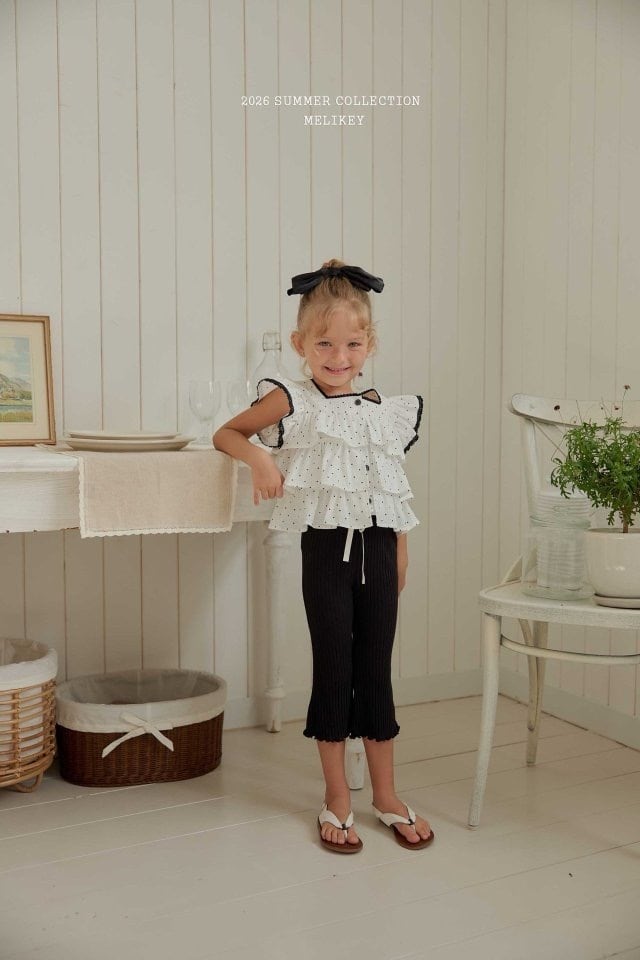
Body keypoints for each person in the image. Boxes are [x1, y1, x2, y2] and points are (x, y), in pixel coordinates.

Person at [213, 259, 434, 854]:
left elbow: (391, 486)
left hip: (380, 546)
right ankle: (337, 798)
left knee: (376, 669)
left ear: (370, 344)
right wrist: (261, 459)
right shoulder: (293, 401)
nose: (339, 356)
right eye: (325, 344)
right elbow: (227, 434)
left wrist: (402, 550)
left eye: (352, 344)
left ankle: (386, 796)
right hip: (326, 550)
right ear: (300, 344)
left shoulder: (382, 409)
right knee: (335, 665)